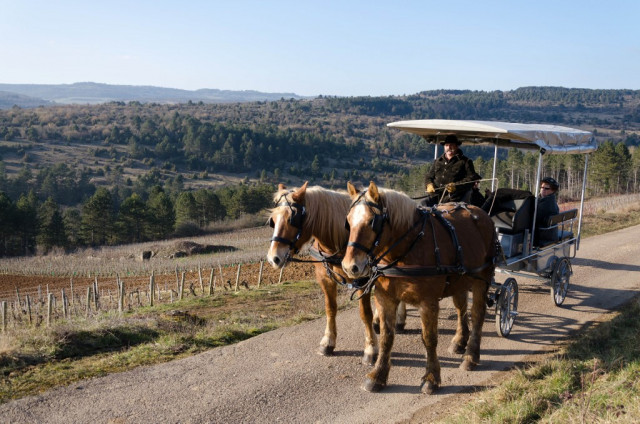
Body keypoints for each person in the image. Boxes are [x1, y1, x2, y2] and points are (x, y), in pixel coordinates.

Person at [424, 134, 482, 206]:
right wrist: (429, 184)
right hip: (435, 197)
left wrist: (455, 186)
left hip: (454, 198)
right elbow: (429, 176)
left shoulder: (465, 161)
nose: (449, 147)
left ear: (456, 146)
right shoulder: (438, 161)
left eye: (451, 145)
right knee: (422, 205)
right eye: (447, 145)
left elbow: (472, 179)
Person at [535, 176, 560, 245]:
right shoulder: (550, 200)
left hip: (544, 235)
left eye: (546, 188)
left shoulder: (546, 203)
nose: (543, 189)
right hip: (550, 233)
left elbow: (534, 218)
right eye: (542, 187)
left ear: (553, 191)